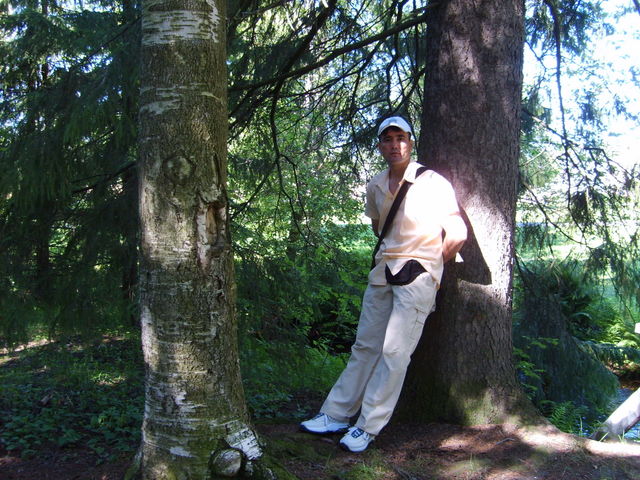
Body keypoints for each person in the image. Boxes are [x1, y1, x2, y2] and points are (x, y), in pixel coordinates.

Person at [300, 115, 467, 452]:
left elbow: (457, 233)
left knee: (394, 353)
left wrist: (431, 264)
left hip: (418, 275)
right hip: (383, 271)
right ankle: (335, 414)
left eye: (401, 138)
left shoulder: (432, 182)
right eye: (388, 139)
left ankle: (367, 426)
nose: (395, 145)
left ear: (410, 142)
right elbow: (379, 227)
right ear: (379, 146)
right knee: (365, 347)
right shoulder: (375, 185)